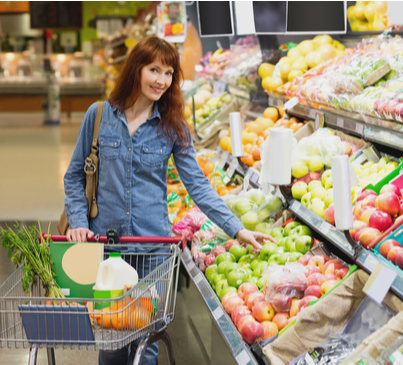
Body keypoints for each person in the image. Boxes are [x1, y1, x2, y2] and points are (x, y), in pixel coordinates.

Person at [63, 36, 275, 365]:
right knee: (109, 340)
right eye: (154, 70)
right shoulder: (99, 116)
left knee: (145, 343)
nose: (162, 80)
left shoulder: (172, 126)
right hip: (106, 248)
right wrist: (78, 224)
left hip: (153, 251)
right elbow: (75, 176)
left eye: (169, 73)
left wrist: (236, 229)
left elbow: (198, 185)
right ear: (136, 69)